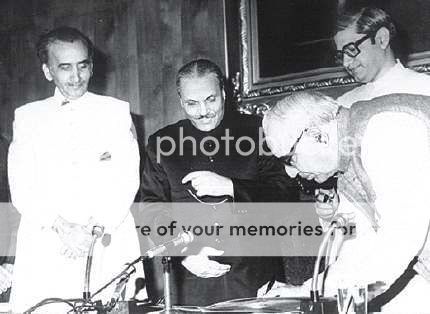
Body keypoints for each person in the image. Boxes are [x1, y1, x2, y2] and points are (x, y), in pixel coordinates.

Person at [139, 59, 299, 306]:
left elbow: (285, 194)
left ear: (224, 93)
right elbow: (151, 208)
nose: (203, 111)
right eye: (192, 103)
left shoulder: (258, 131)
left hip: (255, 282)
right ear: (181, 101)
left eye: (210, 99)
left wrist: (232, 187)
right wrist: (184, 252)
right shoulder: (162, 142)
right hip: (191, 284)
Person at [8, 26, 141, 313]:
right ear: (48, 71)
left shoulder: (116, 112)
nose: (76, 76)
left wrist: (93, 228)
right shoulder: (28, 118)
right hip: (49, 241)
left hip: (106, 236)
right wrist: (62, 227)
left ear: (91, 66)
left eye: (82, 66)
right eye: (65, 67)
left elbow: (126, 179)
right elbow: (21, 186)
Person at [261, 91, 430, 312]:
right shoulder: (345, 161)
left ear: (316, 135)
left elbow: (398, 241)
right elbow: (357, 246)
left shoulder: (387, 130)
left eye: (289, 158)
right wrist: (307, 291)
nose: (290, 173)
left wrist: (323, 297)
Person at [334, 6, 430, 107]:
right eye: (341, 55)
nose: (345, 63)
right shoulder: (344, 103)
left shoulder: (424, 88)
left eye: (351, 50)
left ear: (382, 39)